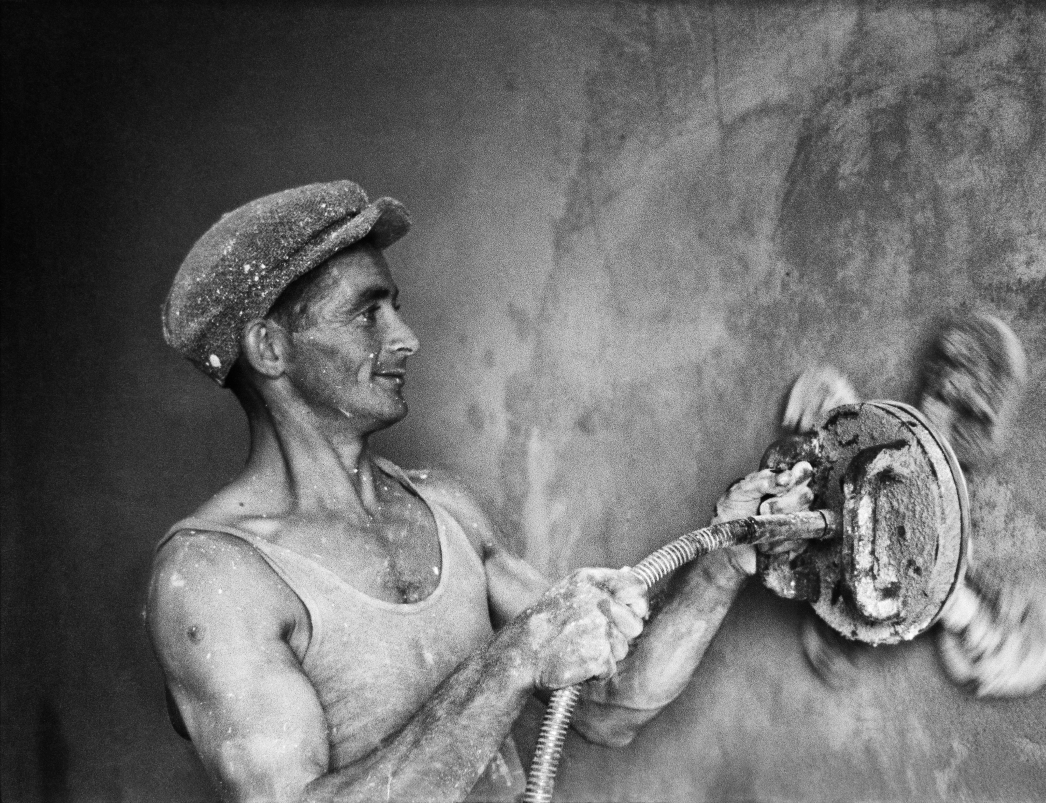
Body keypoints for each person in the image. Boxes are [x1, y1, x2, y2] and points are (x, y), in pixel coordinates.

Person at [145, 181, 812, 803]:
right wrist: (515, 657)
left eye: (394, 310)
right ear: (269, 347)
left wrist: (723, 566)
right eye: (365, 315)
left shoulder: (446, 509)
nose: (405, 339)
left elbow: (610, 707)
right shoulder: (213, 577)